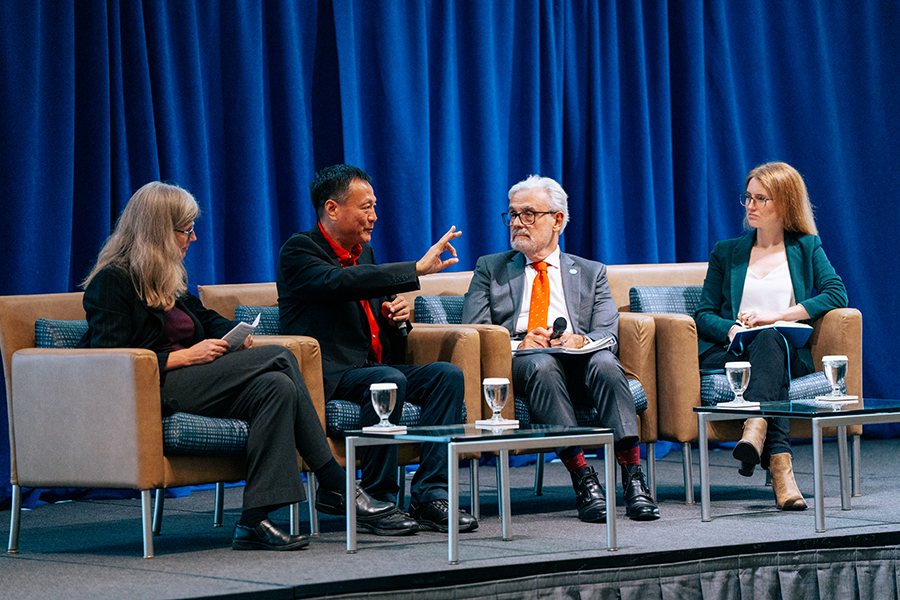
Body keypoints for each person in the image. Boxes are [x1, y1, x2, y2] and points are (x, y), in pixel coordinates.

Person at [79, 181, 396, 552]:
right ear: (159, 232)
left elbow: (205, 318)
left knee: (277, 388)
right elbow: (111, 359)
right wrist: (184, 356)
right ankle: (334, 481)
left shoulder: (167, 280)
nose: (193, 238)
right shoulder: (111, 282)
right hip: (157, 389)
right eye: (186, 230)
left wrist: (234, 334)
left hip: (196, 382)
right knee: (280, 356)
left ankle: (254, 521)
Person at [276, 164, 478, 535]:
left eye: (375, 207)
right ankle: (376, 497)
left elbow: (374, 300)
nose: (374, 216)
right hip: (330, 375)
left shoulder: (364, 254)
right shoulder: (299, 251)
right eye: (366, 207)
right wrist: (415, 269)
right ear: (332, 208)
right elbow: (338, 283)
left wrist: (397, 317)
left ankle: (431, 492)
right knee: (386, 380)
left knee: (445, 376)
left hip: (374, 368)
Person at [462, 175, 660, 522]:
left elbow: (608, 332)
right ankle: (583, 479)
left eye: (528, 214)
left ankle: (633, 479)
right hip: (522, 365)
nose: (517, 223)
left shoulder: (589, 271)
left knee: (606, 363)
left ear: (556, 220)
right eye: (512, 215)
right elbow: (474, 329)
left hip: (579, 363)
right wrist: (517, 342)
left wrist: (580, 340)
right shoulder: (490, 269)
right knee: (542, 364)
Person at [694, 161, 848, 510]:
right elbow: (703, 314)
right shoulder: (727, 251)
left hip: (780, 347)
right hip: (732, 350)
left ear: (785, 203)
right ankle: (779, 466)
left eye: (761, 198)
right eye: (747, 197)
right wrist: (733, 328)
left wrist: (776, 316)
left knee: (770, 339)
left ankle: (757, 428)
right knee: (764, 345)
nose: (750, 205)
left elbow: (836, 293)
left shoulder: (806, 247)